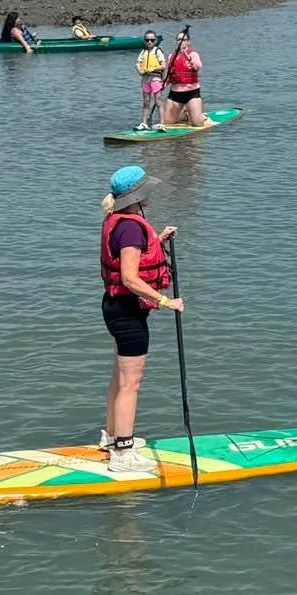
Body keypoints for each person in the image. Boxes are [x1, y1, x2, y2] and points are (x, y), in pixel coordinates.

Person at [98, 164, 183, 473]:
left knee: (119, 378)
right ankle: (123, 454)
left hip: (114, 307)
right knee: (131, 383)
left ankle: (111, 437)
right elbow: (130, 278)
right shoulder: (131, 226)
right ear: (136, 193)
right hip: (128, 312)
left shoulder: (118, 221)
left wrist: (157, 240)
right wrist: (165, 301)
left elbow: (129, 258)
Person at [163, 25, 208, 128]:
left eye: (183, 40)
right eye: (179, 40)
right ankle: (184, 115)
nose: (181, 41)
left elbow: (197, 67)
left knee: (197, 124)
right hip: (175, 94)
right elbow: (169, 74)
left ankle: (200, 116)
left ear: (188, 42)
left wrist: (188, 57)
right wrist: (163, 84)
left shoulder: (193, 55)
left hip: (191, 93)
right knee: (168, 122)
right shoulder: (171, 56)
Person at [135, 30, 166, 130]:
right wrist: (140, 70)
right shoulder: (143, 52)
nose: (149, 42)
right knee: (146, 102)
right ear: (145, 41)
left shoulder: (158, 51)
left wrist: (153, 69)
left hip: (155, 78)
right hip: (145, 79)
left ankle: (162, 123)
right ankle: (144, 123)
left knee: (158, 100)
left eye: (152, 40)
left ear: (155, 41)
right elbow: (138, 64)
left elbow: (163, 65)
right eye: (147, 40)